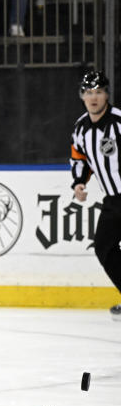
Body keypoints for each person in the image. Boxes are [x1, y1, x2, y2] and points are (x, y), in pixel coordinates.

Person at [69, 72, 121, 319]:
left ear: (107, 94)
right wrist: (79, 182)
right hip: (113, 201)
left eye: (99, 92)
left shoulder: (119, 122)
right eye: (88, 92)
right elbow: (79, 157)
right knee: (104, 248)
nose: (94, 97)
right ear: (82, 96)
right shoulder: (81, 128)